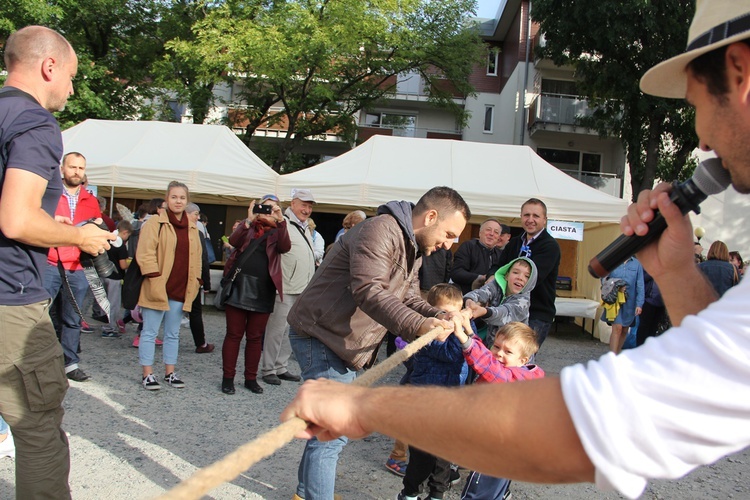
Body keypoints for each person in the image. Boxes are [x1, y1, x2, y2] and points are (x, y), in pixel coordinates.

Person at [281, 3, 750, 498]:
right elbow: (715, 380)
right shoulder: (386, 230)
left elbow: (603, 421)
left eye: (697, 103)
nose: (699, 136)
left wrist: (360, 408)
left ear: (740, 71)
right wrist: (675, 271)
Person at [286, 186, 470, 500]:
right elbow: (368, 290)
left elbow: (410, 297)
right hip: (321, 335)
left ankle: (307, 494)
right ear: (431, 216)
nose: (450, 244)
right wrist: (420, 324)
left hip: (337, 339)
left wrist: (440, 314)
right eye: (450, 234)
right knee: (332, 433)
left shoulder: (411, 246)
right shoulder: (380, 230)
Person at [0, 25, 112, 499]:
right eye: (70, 76)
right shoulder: (36, 123)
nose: (71, 88)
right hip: (10, 298)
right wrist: (79, 235)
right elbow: (16, 218)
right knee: (38, 424)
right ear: (48, 66)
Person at [454, 322, 544, 500]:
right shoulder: (515, 370)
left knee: (477, 493)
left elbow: (490, 368)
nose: (499, 354)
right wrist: (470, 331)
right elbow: (487, 356)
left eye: (508, 352)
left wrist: (464, 339)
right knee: (493, 491)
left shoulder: (514, 378)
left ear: (523, 360)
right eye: (496, 346)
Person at [397, 284, 470, 500]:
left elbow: (464, 354)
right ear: (432, 313)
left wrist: (464, 330)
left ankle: (437, 494)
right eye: (443, 313)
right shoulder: (428, 336)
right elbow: (450, 353)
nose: (448, 319)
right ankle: (410, 493)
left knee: (442, 458)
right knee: (420, 457)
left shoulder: (462, 333)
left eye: (453, 313)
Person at [221, 195, 290, 395]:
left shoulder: (279, 230)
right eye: (265, 207)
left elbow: (285, 247)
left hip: (264, 289)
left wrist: (280, 220)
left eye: (272, 208)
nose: (267, 211)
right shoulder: (247, 225)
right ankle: (228, 378)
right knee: (234, 335)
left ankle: (250, 378)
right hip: (240, 285)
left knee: (255, 337)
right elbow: (234, 241)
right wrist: (249, 219)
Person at [136, 181, 202, 390]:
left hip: (181, 288)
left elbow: (197, 257)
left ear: (187, 200)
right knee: (150, 332)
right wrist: (153, 276)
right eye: (174, 197)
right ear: (167, 199)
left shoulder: (192, 227)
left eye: (182, 197)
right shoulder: (155, 223)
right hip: (158, 286)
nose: (178, 201)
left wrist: (197, 280)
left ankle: (170, 372)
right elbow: (145, 253)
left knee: (173, 333)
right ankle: (147, 374)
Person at [43, 151, 102, 382]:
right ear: (62, 169)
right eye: (73, 167)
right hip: (50, 262)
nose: (77, 172)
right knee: (42, 316)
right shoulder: (50, 194)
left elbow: (95, 233)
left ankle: (69, 363)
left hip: (78, 266)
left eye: (81, 168)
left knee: (73, 318)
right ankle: (43, 360)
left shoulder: (91, 200)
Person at [260, 190, 316, 386]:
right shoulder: (282, 221)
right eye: (303, 205)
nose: (307, 210)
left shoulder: (304, 227)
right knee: (276, 330)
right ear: (293, 204)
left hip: (302, 287)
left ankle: (280, 366)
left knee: (290, 331)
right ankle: (268, 368)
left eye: (309, 207)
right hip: (285, 286)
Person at [494, 199, 561, 347]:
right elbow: (498, 268)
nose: (530, 220)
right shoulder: (514, 243)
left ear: (545, 219)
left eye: (536, 216)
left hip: (536, 313)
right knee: (505, 356)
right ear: (521, 217)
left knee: (521, 359)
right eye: (526, 215)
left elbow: (532, 279)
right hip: (509, 309)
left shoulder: (550, 246)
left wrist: (501, 279)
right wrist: (491, 277)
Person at [463, 257, 537, 347]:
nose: (520, 278)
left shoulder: (523, 302)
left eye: (527, 276)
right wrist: (469, 300)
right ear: (506, 275)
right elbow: (481, 293)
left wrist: (484, 311)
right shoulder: (496, 285)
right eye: (515, 272)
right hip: (494, 345)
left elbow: (503, 313)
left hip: (514, 351)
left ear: (530, 282)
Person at [185, 203, 214, 353]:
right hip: (191, 279)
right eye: (196, 214)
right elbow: (204, 259)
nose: (198, 217)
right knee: (195, 312)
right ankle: (200, 343)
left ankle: (144, 334)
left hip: (177, 278)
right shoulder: (197, 233)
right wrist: (206, 283)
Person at [601, 257, 644, 354]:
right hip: (614, 301)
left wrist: (639, 304)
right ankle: (612, 357)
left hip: (630, 302)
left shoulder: (637, 264)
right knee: (617, 328)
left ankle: (616, 353)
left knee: (624, 329)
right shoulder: (613, 261)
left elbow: (640, 285)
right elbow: (603, 279)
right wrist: (616, 286)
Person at [450, 218, 504, 295]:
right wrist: (480, 278)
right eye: (488, 230)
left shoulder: (501, 254)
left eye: (496, 232)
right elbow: (456, 273)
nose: (492, 234)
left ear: (498, 238)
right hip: (465, 295)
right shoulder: (468, 246)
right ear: (480, 233)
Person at [100, 220, 132, 338]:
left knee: (103, 303)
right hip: (115, 277)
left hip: (103, 274)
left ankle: (103, 324)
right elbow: (123, 265)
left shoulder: (107, 240)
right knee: (113, 303)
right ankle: (109, 329)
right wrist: (131, 263)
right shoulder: (121, 246)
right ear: (125, 232)